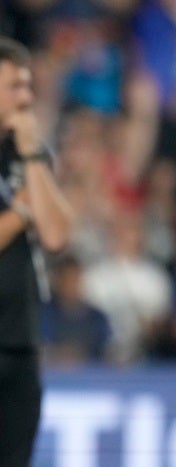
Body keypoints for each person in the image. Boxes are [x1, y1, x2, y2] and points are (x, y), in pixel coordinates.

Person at [0, 36, 73, 466]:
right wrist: (24, 210)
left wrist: (30, 152)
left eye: (29, 86)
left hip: (21, 341)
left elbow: (58, 234)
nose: (26, 97)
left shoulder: (27, 151)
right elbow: (37, 218)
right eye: (14, 86)